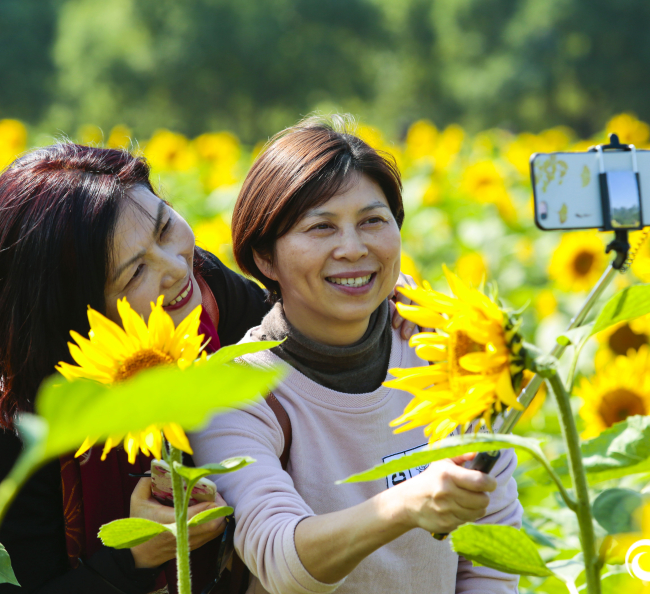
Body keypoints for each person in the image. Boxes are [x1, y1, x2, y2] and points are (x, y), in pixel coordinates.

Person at [0, 142, 419, 594]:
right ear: (72, 308)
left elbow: (298, 316)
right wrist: (133, 557)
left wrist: (388, 304)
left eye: (164, 226)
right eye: (135, 270)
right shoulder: (2, 425)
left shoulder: (207, 297)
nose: (176, 267)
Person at [191, 116, 523, 594]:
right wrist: (405, 504)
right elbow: (279, 557)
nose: (353, 248)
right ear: (265, 258)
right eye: (321, 227)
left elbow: (491, 555)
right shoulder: (235, 392)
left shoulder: (446, 354)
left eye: (373, 221)